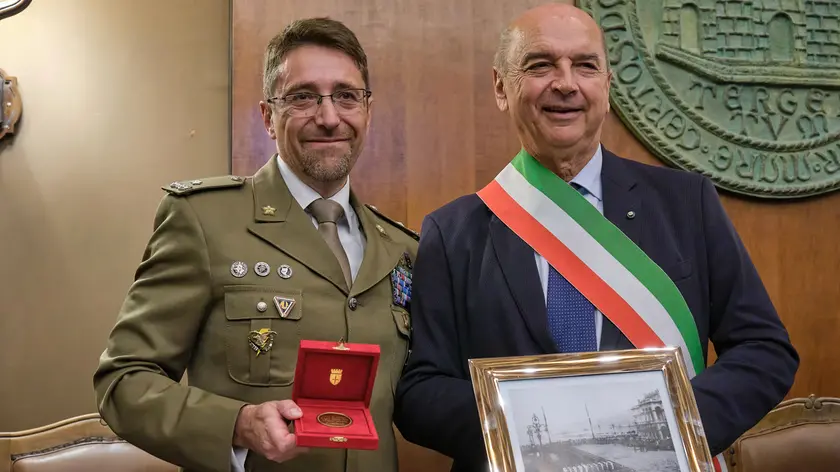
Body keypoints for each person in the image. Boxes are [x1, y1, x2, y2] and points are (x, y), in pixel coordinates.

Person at [393, 4, 798, 471]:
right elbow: (420, 389)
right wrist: (525, 428)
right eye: (540, 65)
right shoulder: (453, 230)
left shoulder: (687, 204)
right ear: (501, 88)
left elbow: (764, 350)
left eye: (585, 66)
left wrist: (674, 424)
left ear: (607, 85)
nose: (565, 83)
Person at [94, 17, 418, 472]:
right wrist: (237, 424)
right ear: (268, 116)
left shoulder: (401, 249)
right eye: (303, 97)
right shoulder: (204, 220)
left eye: (346, 96)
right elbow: (123, 381)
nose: (329, 117)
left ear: (367, 110)